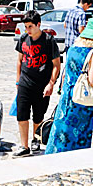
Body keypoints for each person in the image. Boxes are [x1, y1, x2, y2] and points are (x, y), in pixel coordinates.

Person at [45, 18, 93, 155]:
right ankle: (77, 156)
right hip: (82, 96)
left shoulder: (71, 49)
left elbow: (65, 74)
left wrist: (63, 90)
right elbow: (92, 78)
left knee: (63, 128)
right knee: (80, 130)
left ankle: (56, 154)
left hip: (68, 94)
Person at [14, 10, 61, 157]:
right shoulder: (23, 39)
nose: (27, 30)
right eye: (25, 27)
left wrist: (51, 83)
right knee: (22, 114)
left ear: (38, 25)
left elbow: (56, 65)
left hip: (42, 84)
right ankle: (24, 145)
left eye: (30, 27)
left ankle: (36, 139)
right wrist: (17, 80)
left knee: (38, 115)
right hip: (25, 82)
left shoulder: (48, 41)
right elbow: (19, 60)